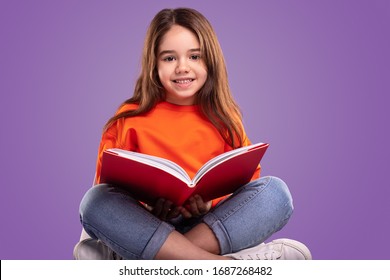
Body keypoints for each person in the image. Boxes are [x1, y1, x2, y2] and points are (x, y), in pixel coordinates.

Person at [75, 7, 312, 260]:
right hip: (146, 227)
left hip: (208, 227)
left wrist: (210, 203)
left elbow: (247, 188)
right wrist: (147, 208)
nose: (182, 67)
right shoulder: (128, 118)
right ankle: (221, 266)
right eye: (169, 58)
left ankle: (148, 261)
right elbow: (107, 188)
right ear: (153, 64)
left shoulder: (225, 117)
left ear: (210, 60)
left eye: (194, 57)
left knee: (275, 193)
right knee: (94, 202)